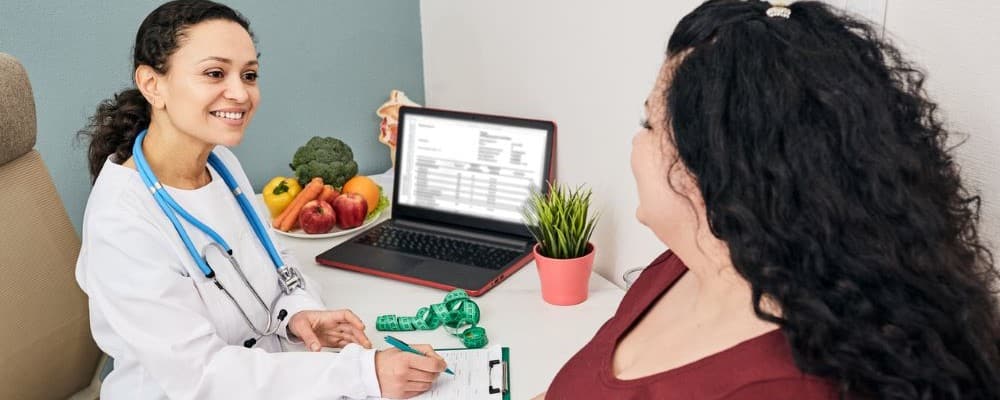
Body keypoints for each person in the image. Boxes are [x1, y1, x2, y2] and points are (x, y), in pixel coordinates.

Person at [537, 1, 1000, 399]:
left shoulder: (783, 387)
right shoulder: (684, 265)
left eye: (649, 126)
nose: (636, 144)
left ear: (713, 170)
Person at [75, 1, 445, 399]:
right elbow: (202, 376)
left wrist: (297, 314)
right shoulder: (121, 222)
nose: (240, 93)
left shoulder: (221, 164)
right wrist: (362, 374)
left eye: (248, 75)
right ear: (152, 85)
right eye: (215, 73)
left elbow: (276, 261)